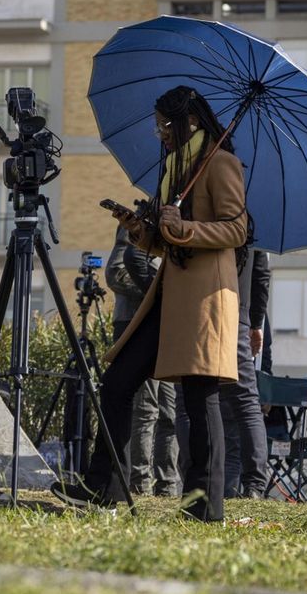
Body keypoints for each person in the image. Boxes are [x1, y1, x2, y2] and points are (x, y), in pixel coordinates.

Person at [53, 85, 248, 522]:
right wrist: (141, 231)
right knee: (119, 381)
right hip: (168, 294)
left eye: (165, 124)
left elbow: (236, 231)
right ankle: (104, 487)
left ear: (190, 122)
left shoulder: (221, 164)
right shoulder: (175, 171)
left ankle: (204, 507)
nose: (160, 133)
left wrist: (186, 229)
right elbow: (168, 243)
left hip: (203, 299)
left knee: (200, 399)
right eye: (157, 125)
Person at [106, 222, 179, 497]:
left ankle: (168, 484)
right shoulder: (137, 224)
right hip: (134, 323)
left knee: (169, 411)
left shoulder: (177, 226)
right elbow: (115, 273)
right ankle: (139, 482)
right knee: (145, 408)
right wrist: (156, 290)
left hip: (167, 326)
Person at [221, 248, 270, 498]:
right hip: (238, 313)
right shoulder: (253, 217)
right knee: (247, 402)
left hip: (196, 310)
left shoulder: (192, 210)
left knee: (192, 398)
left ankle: (200, 480)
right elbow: (261, 274)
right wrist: (256, 323)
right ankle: (254, 485)